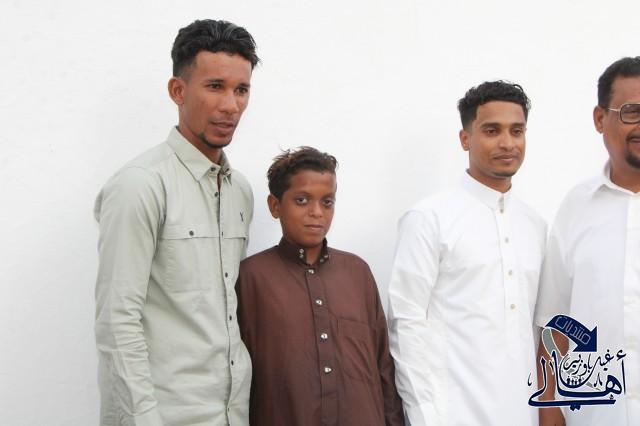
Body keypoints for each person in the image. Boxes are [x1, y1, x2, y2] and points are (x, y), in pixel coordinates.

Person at [94, 19, 259, 426]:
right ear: (177, 91)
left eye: (241, 89)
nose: (231, 105)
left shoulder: (239, 191)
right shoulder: (140, 185)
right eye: (215, 86)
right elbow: (117, 320)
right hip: (166, 415)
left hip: (232, 413)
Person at [387, 81, 546, 425]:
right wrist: (425, 416)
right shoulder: (429, 219)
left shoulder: (535, 226)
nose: (507, 143)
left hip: (524, 414)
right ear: (465, 139)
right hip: (453, 416)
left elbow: (539, 330)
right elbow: (406, 323)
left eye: (517, 131)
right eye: (492, 130)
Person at [236, 147, 405, 426]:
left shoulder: (357, 273)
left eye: (327, 202)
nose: (316, 213)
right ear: (275, 206)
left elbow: (383, 367)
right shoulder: (250, 278)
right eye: (302, 200)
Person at [535, 57, 640, 426]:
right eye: (632, 112)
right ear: (600, 118)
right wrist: (549, 410)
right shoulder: (576, 209)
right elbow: (554, 322)